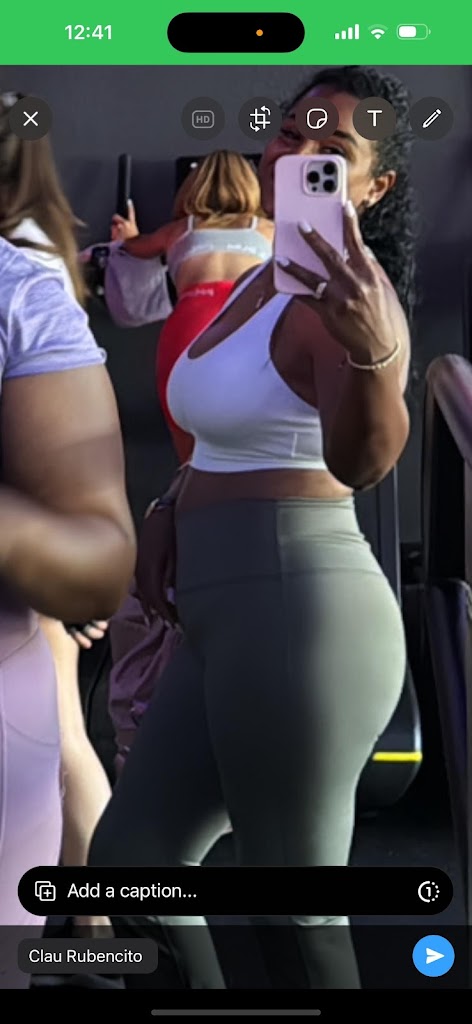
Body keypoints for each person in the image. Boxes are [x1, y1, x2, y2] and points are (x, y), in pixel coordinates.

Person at [89, 65, 414, 990]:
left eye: (332, 150)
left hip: (298, 612)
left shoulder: (348, 297)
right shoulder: (260, 275)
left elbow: (362, 463)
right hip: (219, 613)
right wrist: (169, 505)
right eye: (289, 132)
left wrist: (373, 354)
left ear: (372, 187)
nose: (297, 155)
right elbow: (232, 433)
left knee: (294, 910)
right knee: (135, 859)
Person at [0, 92, 136, 975]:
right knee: (70, 742)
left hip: (28, 567)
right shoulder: (44, 244)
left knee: (69, 741)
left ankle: (93, 924)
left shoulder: (21, 267)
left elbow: (83, 530)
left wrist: (62, 562)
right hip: (36, 554)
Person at [110, 150, 274, 462]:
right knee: (250, 428)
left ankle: (189, 478)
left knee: (186, 431)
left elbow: (132, 248)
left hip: (190, 318)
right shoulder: (268, 229)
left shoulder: (180, 230)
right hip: (245, 320)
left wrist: (128, 235)